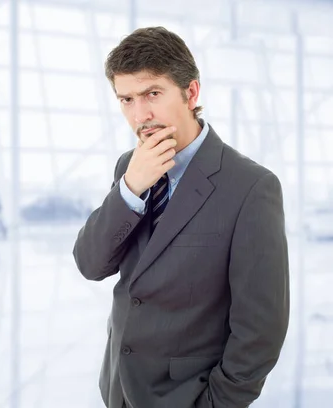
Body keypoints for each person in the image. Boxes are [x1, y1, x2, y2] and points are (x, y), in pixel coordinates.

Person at [72, 27, 289, 408]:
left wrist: (216, 403)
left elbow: (260, 330)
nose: (140, 115)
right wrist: (130, 188)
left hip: (188, 396)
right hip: (119, 391)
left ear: (191, 93)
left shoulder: (252, 187)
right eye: (126, 100)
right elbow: (90, 263)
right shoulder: (130, 166)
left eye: (152, 94)